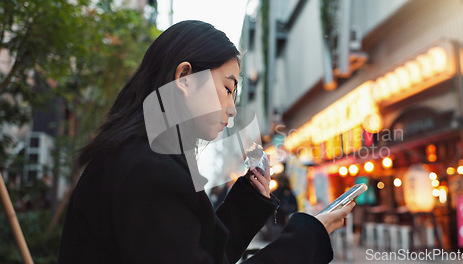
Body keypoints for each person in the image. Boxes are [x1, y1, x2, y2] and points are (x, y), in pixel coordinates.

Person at [58, 20, 355, 264]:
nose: (232, 108)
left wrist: (248, 202)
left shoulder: (143, 157)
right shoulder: (147, 170)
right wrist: (308, 235)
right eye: (228, 89)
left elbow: (197, 253)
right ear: (185, 78)